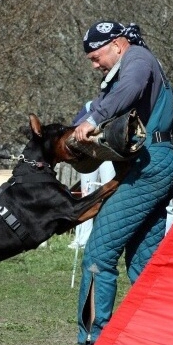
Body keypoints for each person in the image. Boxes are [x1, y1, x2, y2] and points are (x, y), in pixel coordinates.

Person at [47, 21, 173, 345]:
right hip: (151, 162)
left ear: (116, 45)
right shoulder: (123, 69)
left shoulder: (138, 60)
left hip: (147, 165)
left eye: (96, 57)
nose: (94, 64)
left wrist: (97, 120)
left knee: (98, 254)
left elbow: (126, 93)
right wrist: (77, 129)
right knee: (143, 264)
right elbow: (93, 108)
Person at [68, 101, 116, 250]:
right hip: (89, 154)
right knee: (86, 193)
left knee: (109, 192)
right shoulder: (90, 105)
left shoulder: (117, 104)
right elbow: (75, 125)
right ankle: (81, 237)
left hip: (108, 153)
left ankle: (106, 237)